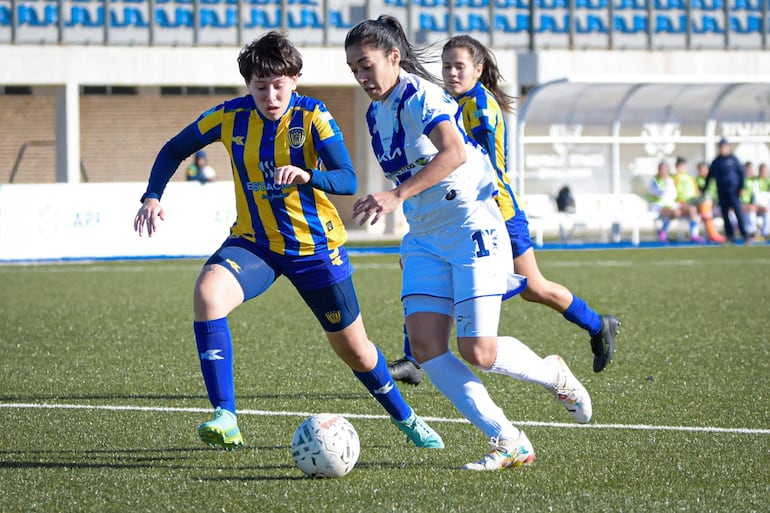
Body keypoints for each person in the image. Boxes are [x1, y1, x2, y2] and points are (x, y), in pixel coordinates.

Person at [133, 31, 443, 452]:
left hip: (314, 249)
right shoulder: (229, 117)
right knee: (208, 294)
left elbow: (347, 179)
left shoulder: (314, 116)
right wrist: (152, 195)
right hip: (254, 244)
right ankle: (225, 416)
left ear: (295, 79)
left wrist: (307, 175)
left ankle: (406, 417)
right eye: (260, 87)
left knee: (356, 352)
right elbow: (175, 148)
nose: (270, 95)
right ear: (249, 86)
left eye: (279, 85)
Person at [345, 16, 592, 471]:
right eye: (353, 69)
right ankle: (508, 439)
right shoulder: (374, 111)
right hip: (424, 236)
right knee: (425, 346)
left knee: (479, 350)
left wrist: (395, 195)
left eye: (366, 65)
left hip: (471, 225)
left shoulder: (423, 95)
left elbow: (455, 152)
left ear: (393, 58)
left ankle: (552, 373)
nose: (361, 77)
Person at [388, 34, 618, 388]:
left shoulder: (479, 107)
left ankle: (597, 324)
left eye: (459, 66)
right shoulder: (450, 101)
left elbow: (485, 168)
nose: (450, 73)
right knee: (419, 263)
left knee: (533, 287)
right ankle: (414, 357)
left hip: (496, 210)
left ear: (478, 70)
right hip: (462, 211)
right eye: (446, 66)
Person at [704, 138, 749, 243]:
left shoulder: (734, 160)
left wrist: (741, 187)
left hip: (733, 192)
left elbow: (741, 174)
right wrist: (704, 189)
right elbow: (709, 176)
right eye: (721, 147)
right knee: (725, 215)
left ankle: (745, 235)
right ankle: (730, 236)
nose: (722, 149)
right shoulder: (716, 161)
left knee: (738, 213)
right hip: (722, 192)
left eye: (724, 146)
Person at [671, 156, 705, 243]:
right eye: (680, 166)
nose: (682, 168)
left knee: (705, 208)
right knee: (692, 209)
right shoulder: (673, 177)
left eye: (684, 166)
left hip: (693, 202)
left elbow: (697, 191)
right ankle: (694, 234)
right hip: (680, 203)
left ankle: (712, 234)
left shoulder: (691, 178)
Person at [647, 159, 681, 242]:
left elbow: (675, 194)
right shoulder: (654, 180)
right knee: (674, 212)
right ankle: (663, 232)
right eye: (662, 169)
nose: (664, 171)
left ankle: (662, 231)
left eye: (665, 169)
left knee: (690, 210)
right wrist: (664, 190)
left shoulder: (671, 180)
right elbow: (655, 193)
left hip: (671, 204)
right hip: (657, 205)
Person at [695, 161, 726, 243]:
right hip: (703, 205)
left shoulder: (713, 180)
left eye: (705, 169)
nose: (703, 171)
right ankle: (713, 235)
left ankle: (730, 234)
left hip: (716, 204)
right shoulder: (696, 180)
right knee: (706, 209)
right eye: (701, 170)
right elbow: (698, 195)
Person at [740, 161, 769, 240]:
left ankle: (765, 234)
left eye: (751, 169)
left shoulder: (755, 181)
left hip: (754, 206)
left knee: (766, 211)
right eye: (747, 170)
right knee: (751, 211)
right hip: (742, 207)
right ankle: (752, 234)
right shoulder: (740, 181)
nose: (749, 172)